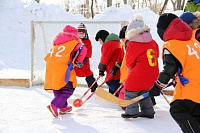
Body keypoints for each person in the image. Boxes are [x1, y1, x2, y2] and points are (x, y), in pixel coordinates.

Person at [149, 13, 200, 132]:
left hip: (192, 88)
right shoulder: (194, 42)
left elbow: (169, 70)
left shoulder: (171, 45)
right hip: (195, 86)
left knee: (178, 109)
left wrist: (157, 86)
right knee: (195, 114)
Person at [121, 13, 159, 119]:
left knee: (129, 90)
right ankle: (148, 111)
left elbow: (129, 62)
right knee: (144, 91)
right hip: (153, 73)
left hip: (139, 72)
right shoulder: (153, 42)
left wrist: (130, 70)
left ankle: (131, 111)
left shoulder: (132, 43)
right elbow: (157, 55)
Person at [44, 25, 87, 118]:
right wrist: (78, 61)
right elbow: (83, 49)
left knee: (58, 86)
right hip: (64, 67)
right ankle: (55, 104)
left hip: (51, 66)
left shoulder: (57, 44)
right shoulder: (75, 43)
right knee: (68, 88)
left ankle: (63, 107)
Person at [95, 30, 124, 97]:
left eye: (99, 40)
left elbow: (105, 58)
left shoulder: (108, 45)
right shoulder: (118, 43)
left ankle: (121, 96)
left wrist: (101, 69)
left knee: (110, 81)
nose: (100, 43)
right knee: (116, 81)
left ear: (102, 38)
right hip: (120, 66)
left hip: (113, 67)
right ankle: (112, 95)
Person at [74, 23, 98, 92]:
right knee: (71, 75)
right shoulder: (74, 41)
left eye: (83, 33)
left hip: (84, 61)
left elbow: (88, 52)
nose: (81, 35)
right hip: (74, 61)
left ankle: (94, 87)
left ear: (85, 34)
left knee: (88, 74)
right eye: (79, 33)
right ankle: (67, 88)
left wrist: (83, 61)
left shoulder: (87, 42)